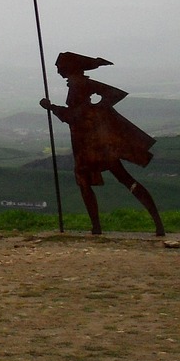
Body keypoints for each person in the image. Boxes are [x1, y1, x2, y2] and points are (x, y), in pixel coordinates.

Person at [40, 52, 165, 236]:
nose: (58, 71)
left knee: (84, 179)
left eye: (60, 67)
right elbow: (93, 105)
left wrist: (52, 108)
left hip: (89, 145)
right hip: (92, 143)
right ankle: (156, 223)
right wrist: (97, 110)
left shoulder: (79, 85)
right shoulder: (80, 84)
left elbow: (73, 116)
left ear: (69, 67)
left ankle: (97, 227)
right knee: (124, 178)